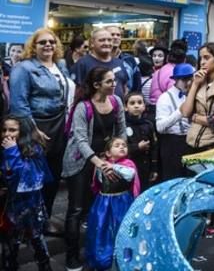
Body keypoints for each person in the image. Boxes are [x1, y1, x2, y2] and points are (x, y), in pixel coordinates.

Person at [62, 66, 126, 271]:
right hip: (82, 162)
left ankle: (95, 250)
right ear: (97, 85)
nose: (114, 84)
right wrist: (100, 163)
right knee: (76, 209)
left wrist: (117, 157)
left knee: (97, 208)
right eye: (109, 81)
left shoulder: (116, 102)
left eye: (114, 80)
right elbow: (80, 139)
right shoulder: (84, 107)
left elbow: (122, 132)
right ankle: (71, 256)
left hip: (107, 161)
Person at [9, 28, 75, 221]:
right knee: (33, 177)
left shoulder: (60, 65)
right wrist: (32, 130)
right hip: (36, 126)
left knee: (53, 177)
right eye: (43, 42)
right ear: (33, 46)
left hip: (59, 126)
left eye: (52, 42)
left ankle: (44, 219)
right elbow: (18, 104)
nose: (48, 45)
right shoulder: (24, 68)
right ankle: (25, 223)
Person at [0, 116, 53, 271]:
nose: (7, 134)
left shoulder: (33, 150)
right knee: (10, 245)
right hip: (11, 207)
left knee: (38, 242)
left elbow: (26, 179)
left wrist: (12, 151)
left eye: (12, 130)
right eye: (4, 130)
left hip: (31, 206)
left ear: (22, 132)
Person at [85, 137, 139, 271]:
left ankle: (122, 257)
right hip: (103, 203)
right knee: (101, 227)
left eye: (124, 145)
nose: (122, 147)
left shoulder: (128, 164)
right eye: (117, 145)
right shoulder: (101, 165)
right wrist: (103, 166)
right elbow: (98, 180)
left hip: (122, 202)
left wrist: (113, 166)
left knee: (121, 227)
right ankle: (102, 258)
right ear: (108, 153)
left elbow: (130, 175)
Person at [181, 43, 214, 152]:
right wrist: (195, 85)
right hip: (192, 142)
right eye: (200, 58)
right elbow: (185, 112)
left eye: (207, 58)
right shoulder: (200, 80)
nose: (202, 62)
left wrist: (195, 117)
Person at [155, 63, 193, 181]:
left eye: (190, 79)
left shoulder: (191, 95)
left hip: (189, 142)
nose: (188, 83)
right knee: (173, 181)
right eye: (184, 79)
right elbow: (160, 127)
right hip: (171, 144)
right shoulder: (164, 98)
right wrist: (179, 113)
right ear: (176, 80)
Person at [71, 28, 129, 98]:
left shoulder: (119, 63)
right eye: (102, 40)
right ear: (92, 43)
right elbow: (75, 91)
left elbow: (124, 88)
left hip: (118, 107)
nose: (107, 43)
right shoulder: (82, 64)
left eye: (109, 40)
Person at [124, 92, 157, 191]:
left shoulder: (148, 124)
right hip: (129, 166)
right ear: (125, 107)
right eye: (132, 103)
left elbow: (154, 147)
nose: (136, 106)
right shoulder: (123, 125)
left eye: (139, 103)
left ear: (144, 106)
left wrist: (154, 168)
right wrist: (136, 147)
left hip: (145, 166)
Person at [149, 39, 187, 106]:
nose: (156, 58)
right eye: (154, 55)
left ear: (167, 57)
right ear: (184, 60)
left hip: (154, 106)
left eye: (160, 56)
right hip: (165, 108)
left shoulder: (158, 71)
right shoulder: (175, 73)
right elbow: (174, 96)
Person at [107, 26, 141, 93]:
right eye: (112, 34)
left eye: (118, 35)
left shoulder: (129, 60)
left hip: (126, 100)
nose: (116, 37)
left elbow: (137, 83)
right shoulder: (99, 59)